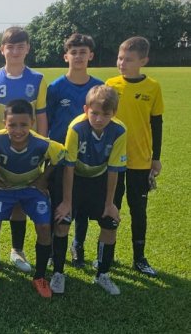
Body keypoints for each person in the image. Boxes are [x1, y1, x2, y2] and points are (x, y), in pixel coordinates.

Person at [0, 26, 48, 273]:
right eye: (11, 47)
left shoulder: (37, 79)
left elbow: (41, 117)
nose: (15, 51)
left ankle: (17, 250)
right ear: (2, 49)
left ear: (27, 48)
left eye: (20, 46)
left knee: (20, 199)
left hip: (26, 150)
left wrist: (40, 149)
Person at [51, 85, 126, 295]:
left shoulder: (119, 131)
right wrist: (67, 202)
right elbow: (69, 167)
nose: (99, 119)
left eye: (106, 114)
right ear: (86, 109)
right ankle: (58, 272)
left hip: (100, 180)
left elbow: (114, 169)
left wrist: (110, 204)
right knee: (62, 221)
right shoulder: (76, 128)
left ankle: (102, 273)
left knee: (110, 223)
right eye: (94, 113)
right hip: (75, 179)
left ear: (114, 113)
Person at [0, 100, 65, 298]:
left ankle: (39, 276)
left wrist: (43, 179)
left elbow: (61, 154)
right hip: (5, 188)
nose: (18, 130)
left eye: (23, 125)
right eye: (12, 125)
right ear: (4, 123)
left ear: (32, 122)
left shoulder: (42, 143)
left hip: (31, 189)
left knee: (44, 227)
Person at [106, 36, 164, 277]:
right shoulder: (110, 84)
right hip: (113, 161)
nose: (122, 63)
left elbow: (157, 124)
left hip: (140, 160)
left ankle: (139, 258)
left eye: (128, 60)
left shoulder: (153, 87)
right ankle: (108, 256)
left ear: (143, 61)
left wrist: (156, 158)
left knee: (138, 209)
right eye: (120, 58)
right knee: (112, 206)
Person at [46, 33, 103, 268]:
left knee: (82, 206)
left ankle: (78, 245)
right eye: (74, 52)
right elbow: (47, 121)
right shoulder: (55, 87)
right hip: (60, 157)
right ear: (66, 56)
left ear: (91, 55)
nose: (78, 56)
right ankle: (53, 248)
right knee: (58, 202)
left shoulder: (99, 87)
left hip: (89, 156)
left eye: (83, 52)